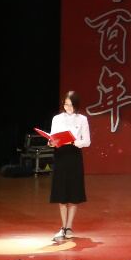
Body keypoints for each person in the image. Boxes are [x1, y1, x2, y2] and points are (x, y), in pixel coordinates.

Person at [48, 90, 90, 241]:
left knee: (73, 192)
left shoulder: (82, 119)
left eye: (71, 105)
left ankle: (69, 226)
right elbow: (52, 137)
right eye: (66, 105)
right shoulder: (57, 118)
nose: (68, 108)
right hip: (60, 155)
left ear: (76, 105)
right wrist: (51, 142)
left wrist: (73, 141)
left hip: (74, 155)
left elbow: (87, 141)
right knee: (61, 192)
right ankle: (63, 226)